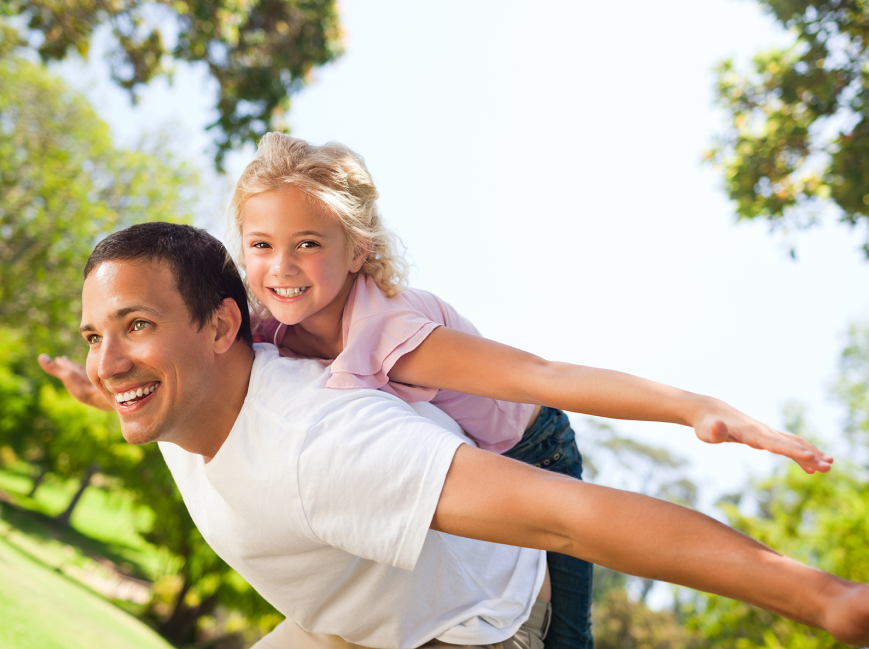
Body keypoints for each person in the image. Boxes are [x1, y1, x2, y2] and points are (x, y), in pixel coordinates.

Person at [42, 134, 834, 649]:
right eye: (262, 246)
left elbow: (545, 378)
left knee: (568, 621)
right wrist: (104, 387)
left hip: (531, 443)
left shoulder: (396, 337)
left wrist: (695, 407)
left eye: (309, 245)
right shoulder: (245, 323)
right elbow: (170, 365)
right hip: (442, 467)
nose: (282, 269)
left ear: (358, 252)